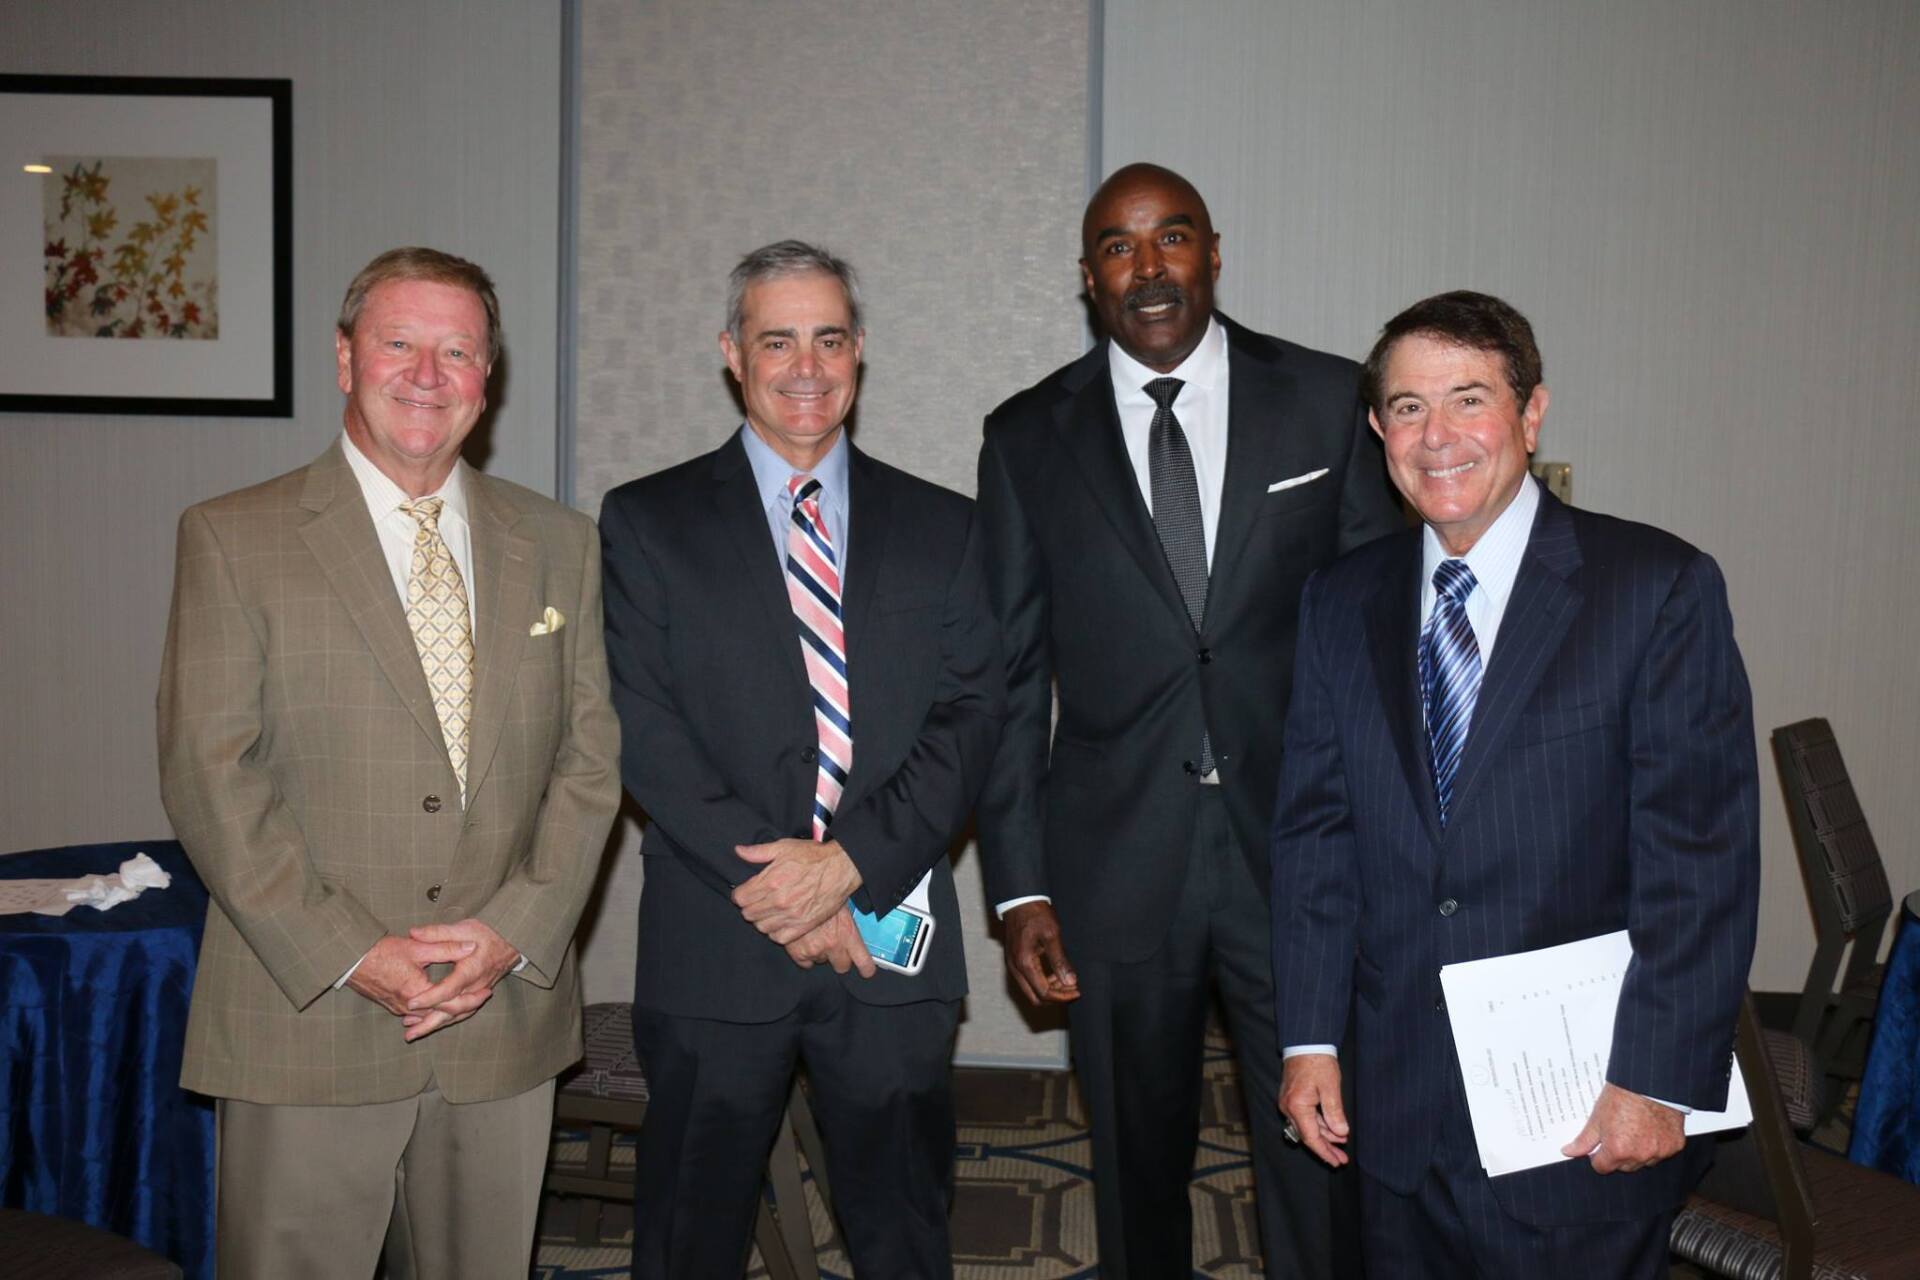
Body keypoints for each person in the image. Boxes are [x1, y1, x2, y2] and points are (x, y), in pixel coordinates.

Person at [1273, 290, 1760, 1276]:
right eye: (1408, 407)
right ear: (1377, 428)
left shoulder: (1653, 588)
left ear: (1532, 412)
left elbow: (1700, 860)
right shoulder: (1340, 601)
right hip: (1394, 1103)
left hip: (1577, 1118)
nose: (1437, 435)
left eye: (1469, 399)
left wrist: (1656, 1078)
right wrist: (1310, 1037)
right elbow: (1316, 836)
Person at [156, 246, 622, 1277]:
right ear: (343, 357)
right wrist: (353, 951)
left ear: (486, 377)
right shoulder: (236, 537)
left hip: (500, 1012)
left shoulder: (560, 544)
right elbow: (210, 773)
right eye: (399, 342)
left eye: (457, 350)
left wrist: (513, 930)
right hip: (306, 1013)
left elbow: (591, 763)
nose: (427, 372)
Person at [975, 162, 1400, 1277]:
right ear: (1087, 277)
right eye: (1119, 246)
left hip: (1298, 849)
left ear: (1215, 251)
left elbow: (1377, 641)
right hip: (1113, 860)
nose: (1148, 266)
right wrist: (1020, 885)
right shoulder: (1025, 437)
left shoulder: (1320, 397)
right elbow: (1014, 678)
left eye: (1172, 238)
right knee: (1130, 1157)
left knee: (1321, 1144)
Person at [598, 240, 1004, 1278]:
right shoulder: (650, 522)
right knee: (691, 1234)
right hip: (718, 935)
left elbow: (968, 718)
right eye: (777, 339)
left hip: (889, 941)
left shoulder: (946, 526)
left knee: (905, 1233)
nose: (805, 365)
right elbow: (642, 725)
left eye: (829, 338)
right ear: (732, 352)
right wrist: (786, 883)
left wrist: (846, 863)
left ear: (859, 353)